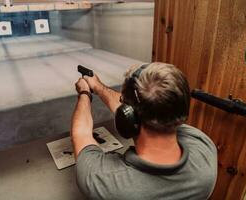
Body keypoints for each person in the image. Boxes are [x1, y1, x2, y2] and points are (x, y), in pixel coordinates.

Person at [71, 62, 217, 200]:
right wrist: (98, 87)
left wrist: (85, 92)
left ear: (127, 118)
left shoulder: (102, 180)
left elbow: (81, 134)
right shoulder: (203, 149)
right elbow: (149, 110)